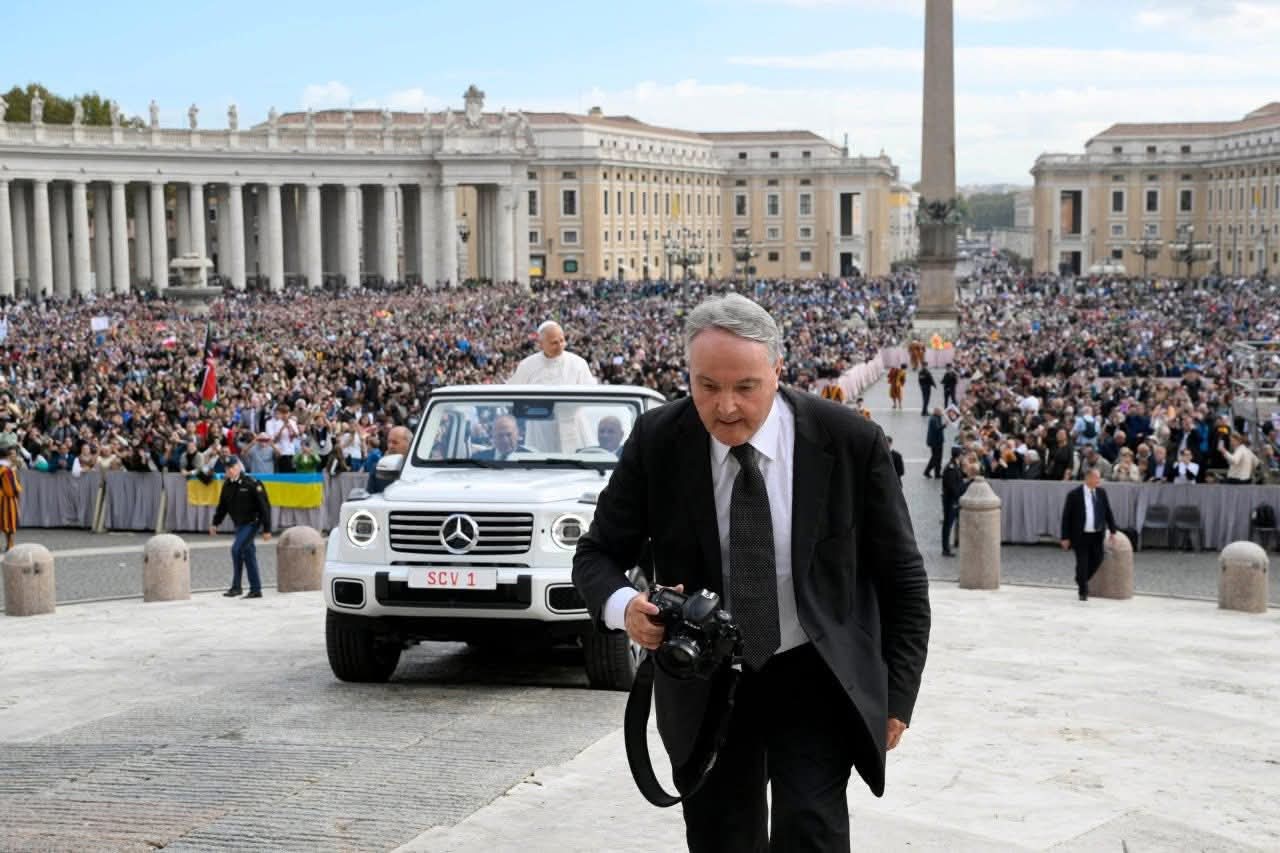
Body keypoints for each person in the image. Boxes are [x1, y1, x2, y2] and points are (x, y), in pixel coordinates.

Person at [573, 293, 931, 852]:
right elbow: (595, 555)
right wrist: (626, 609)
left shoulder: (849, 440)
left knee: (812, 831)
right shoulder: (658, 439)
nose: (726, 407)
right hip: (705, 676)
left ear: (778, 372)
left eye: (745, 387)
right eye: (707, 386)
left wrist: (898, 696)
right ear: (688, 375)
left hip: (815, 672)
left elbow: (902, 578)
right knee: (721, 838)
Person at [209, 456, 272, 599]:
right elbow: (222, 507)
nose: (230, 470)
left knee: (236, 549)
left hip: (252, 523)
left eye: (232, 467)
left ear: (238, 467)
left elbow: (265, 507)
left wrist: (267, 529)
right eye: (227, 468)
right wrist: (215, 523)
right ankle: (256, 589)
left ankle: (236, 587)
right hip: (239, 525)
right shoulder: (227, 485)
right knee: (248, 554)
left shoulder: (252, 483)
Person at [1060, 468, 1119, 601]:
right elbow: (1066, 517)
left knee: (1098, 559)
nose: (1099, 480)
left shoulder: (1101, 493)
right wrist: (1065, 537)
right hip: (1080, 535)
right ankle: (1083, 591)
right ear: (1088, 478)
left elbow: (1107, 511)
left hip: (1097, 534)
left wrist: (1113, 530)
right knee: (1082, 562)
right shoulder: (1074, 495)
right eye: (1096, 477)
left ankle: (1080, 579)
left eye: (1099, 477)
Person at [507, 320, 597, 385]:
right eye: (554, 343)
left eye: (562, 341)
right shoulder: (526, 365)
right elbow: (514, 392)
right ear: (541, 344)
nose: (560, 345)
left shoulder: (578, 364)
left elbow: (589, 392)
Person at [368, 426, 412, 494]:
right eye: (389, 442)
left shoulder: (417, 467)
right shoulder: (378, 467)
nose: (390, 446)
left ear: (409, 444)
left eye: (395, 442)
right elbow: (370, 494)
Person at [940, 447, 966, 557]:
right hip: (951, 501)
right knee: (947, 525)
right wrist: (963, 489)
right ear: (958, 455)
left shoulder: (955, 466)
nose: (963, 457)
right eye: (962, 455)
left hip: (953, 500)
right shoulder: (951, 468)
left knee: (950, 523)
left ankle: (950, 544)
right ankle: (945, 549)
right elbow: (953, 487)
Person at [0, 447, 22, 551]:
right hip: (6, 499)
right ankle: (10, 544)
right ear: (7, 456)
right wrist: (17, 493)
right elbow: (12, 488)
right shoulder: (7, 470)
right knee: (8, 522)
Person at [923, 407, 945, 478]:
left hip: (938, 441)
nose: (941, 413)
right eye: (940, 411)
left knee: (937, 458)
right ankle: (927, 471)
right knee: (935, 458)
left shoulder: (937, 417)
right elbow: (937, 428)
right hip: (935, 442)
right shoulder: (933, 419)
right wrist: (945, 425)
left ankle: (937, 473)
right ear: (936, 412)